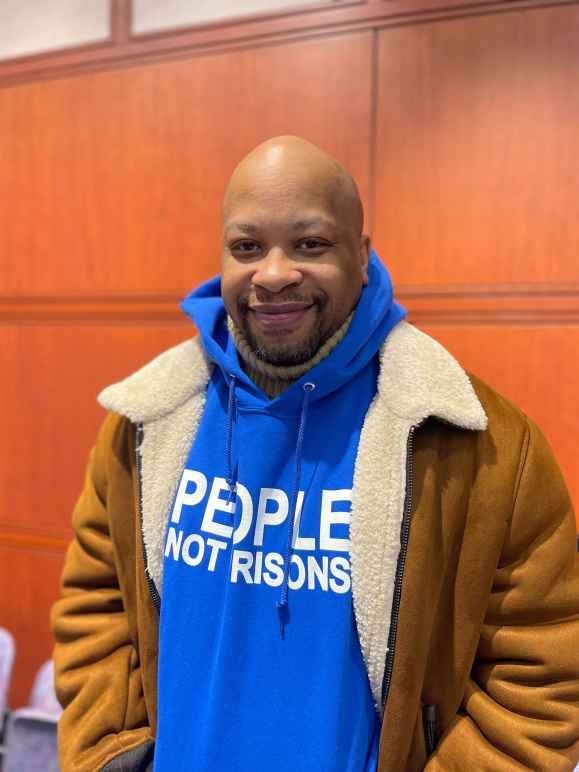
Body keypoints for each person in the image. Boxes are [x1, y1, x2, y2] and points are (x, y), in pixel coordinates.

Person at [52, 136, 579, 772]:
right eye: (247, 247)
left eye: (310, 244)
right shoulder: (145, 422)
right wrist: (113, 754)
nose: (273, 274)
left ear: (362, 254)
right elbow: (95, 605)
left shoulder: (485, 445)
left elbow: (542, 679)